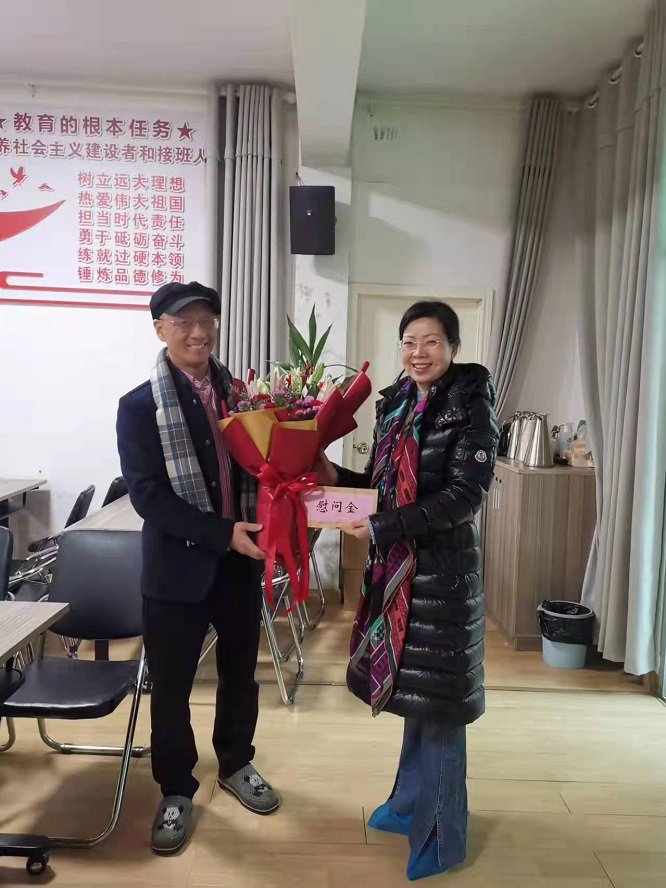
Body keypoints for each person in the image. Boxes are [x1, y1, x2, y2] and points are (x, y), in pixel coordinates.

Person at [317, 301, 498, 881]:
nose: (419, 353)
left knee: (439, 705)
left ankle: (444, 837)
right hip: (396, 572)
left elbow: (463, 498)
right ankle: (407, 804)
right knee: (414, 695)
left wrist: (383, 526)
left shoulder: (472, 405)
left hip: (443, 576)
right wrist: (324, 474)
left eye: (432, 341)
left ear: (453, 348)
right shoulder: (396, 403)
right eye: (409, 342)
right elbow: (380, 488)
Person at [116, 281, 279, 855]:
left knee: (241, 675)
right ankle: (176, 788)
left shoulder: (247, 399)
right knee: (172, 687)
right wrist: (219, 533)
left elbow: (273, 466)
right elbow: (147, 496)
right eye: (184, 321)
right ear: (159, 328)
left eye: (207, 320)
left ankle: (235, 763)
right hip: (175, 572)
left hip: (239, 567)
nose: (198, 332)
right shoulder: (140, 406)